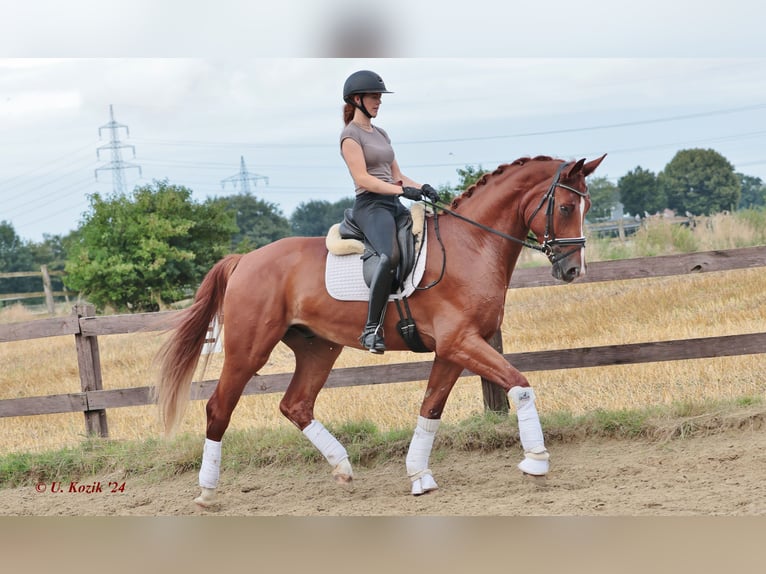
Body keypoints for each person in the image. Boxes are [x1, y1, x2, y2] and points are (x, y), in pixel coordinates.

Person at [339, 70, 439, 354]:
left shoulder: (381, 133)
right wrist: (399, 190)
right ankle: (371, 330)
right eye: (373, 97)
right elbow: (363, 178)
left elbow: (397, 175)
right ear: (356, 99)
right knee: (390, 255)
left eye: (380, 97)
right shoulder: (350, 136)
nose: (378, 102)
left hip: (392, 203)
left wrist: (422, 187)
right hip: (370, 205)